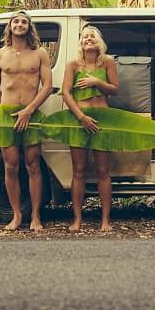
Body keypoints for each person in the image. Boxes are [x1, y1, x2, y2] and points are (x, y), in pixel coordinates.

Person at [0, 11, 53, 231]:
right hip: (7, 117)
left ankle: (35, 216)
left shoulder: (40, 54)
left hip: (32, 115)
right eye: (16, 21)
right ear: (10, 27)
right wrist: (6, 110)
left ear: (29, 27)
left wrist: (29, 110)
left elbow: (47, 86)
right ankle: (16, 215)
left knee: (33, 165)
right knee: (11, 166)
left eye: (24, 21)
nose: (20, 24)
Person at [61, 25, 119, 232]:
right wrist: (82, 117)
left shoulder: (108, 62)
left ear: (99, 41)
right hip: (79, 120)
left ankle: (105, 221)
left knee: (104, 172)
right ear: (80, 42)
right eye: (85, 36)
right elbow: (66, 93)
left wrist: (97, 81)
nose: (88, 38)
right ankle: (77, 220)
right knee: (79, 171)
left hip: (103, 120)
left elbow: (115, 89)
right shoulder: (73, 65)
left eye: (92, 36)